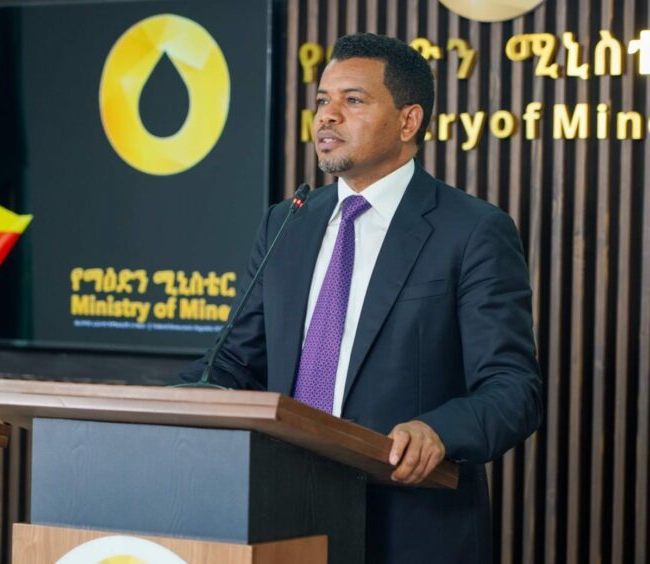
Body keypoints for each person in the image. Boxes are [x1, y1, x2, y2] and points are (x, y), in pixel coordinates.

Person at [181, 33, 542, 563]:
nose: (327, 116)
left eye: (353, 100)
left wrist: (439, 431)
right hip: (281, 518)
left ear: (408, 121)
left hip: (409, 528)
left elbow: (514, 389)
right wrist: (172, 407)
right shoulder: (288, 222)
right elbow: (233, 361)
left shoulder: (471, 231)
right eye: (323, 100)